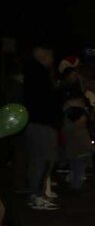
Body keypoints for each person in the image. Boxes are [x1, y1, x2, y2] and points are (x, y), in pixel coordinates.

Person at [23, 45, 61, 210]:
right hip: (42, 123)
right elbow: (47, 100)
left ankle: (36, 194)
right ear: (45, 57)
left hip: (36, 122)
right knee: (43, 159)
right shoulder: (40, 75)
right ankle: (36, 195)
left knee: (38, 160)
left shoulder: (32, 73)